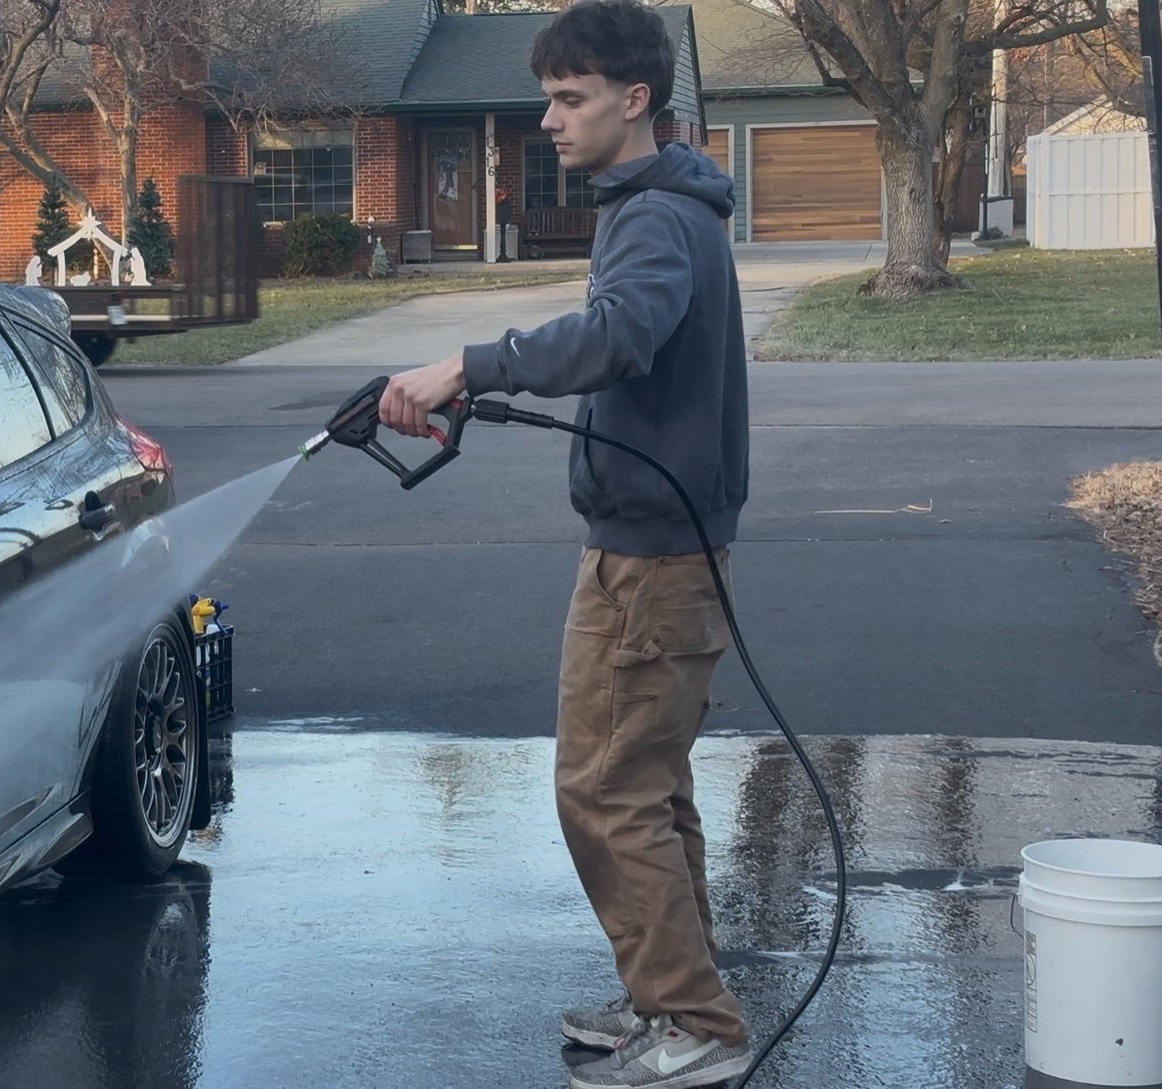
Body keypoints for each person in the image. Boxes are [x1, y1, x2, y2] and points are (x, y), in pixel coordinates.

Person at [378, 2, 752, 1087]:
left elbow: (619, 334)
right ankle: (671, 997)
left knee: (604, 788)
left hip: (653, 560)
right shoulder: (661, 203)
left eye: (568, 98)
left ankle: (696, 1025)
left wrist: (469, 365)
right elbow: (628, 346)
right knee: (647, 781)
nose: (547, 119)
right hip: (656, 543)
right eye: (547, 96)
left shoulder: (656, 218)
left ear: (635, 101)